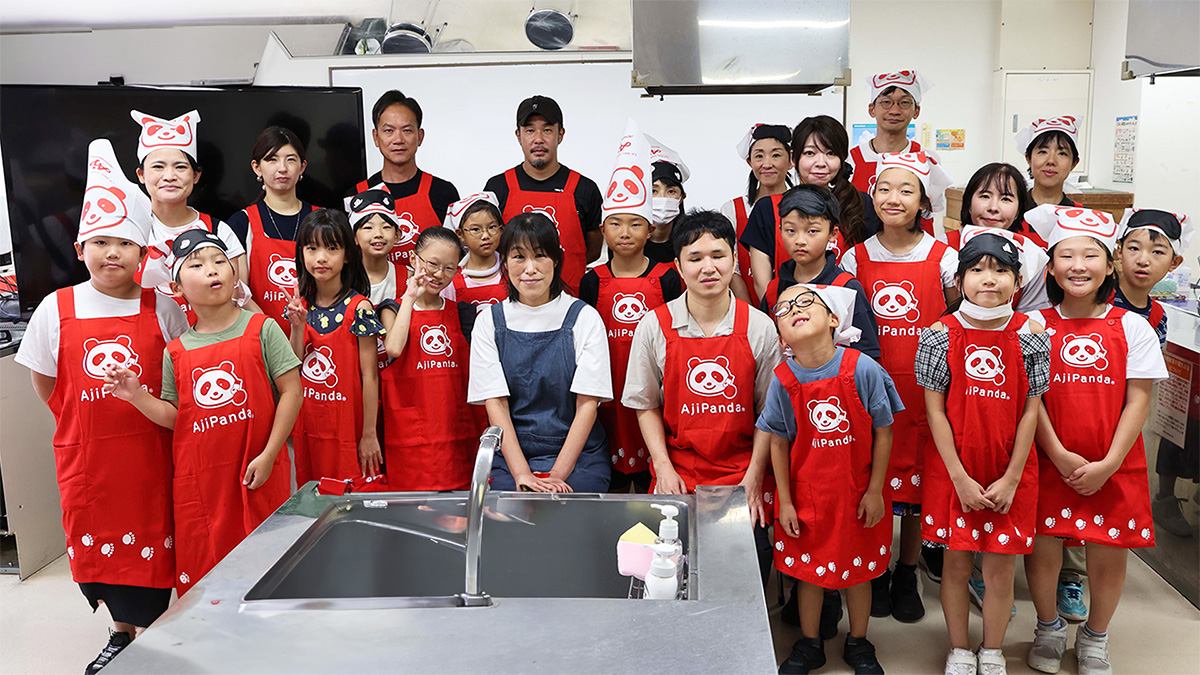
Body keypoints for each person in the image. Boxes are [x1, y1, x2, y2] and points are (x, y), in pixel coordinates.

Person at [15, 140, 186, 674]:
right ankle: (120, 633)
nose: (112, 253)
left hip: (151, 456)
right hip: (89, 460)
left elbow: (180, 378)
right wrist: (82, 420)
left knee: (156, 551)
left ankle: (157, 635)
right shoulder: (54, 307)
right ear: (80, 247)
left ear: (143, 252)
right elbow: (47, 383)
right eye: (100, 242)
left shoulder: (162, 308)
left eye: (124, 243)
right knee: (102, 551)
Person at [105, 229, 299, 598]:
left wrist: (270, 453)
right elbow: (177, 415)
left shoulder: (263, 328)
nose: (213, 271)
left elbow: (292, 391)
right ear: (177, 290)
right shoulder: (176, 351)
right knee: (210, 564)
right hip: (203, 480)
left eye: (220, 262)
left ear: (234, 273)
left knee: (268, 559)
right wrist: (135, 396)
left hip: (257, 468)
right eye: (197, 265)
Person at [1021, 204, 1168, 675]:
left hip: (1115, 461)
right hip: (1048, 458)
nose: (1078, 266)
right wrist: (1059, 453)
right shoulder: (1034, 325)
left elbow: (1138, 401)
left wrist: (1107, 463)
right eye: (1067, 255)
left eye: (1091, 255)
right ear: (1052, 266)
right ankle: (1047, 627)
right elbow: (1030, 399)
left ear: (1111, 265)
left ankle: (1095, 636)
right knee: (1043, 547)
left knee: (1108, 550)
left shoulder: (1133, 326)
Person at [916, 232, 1050, 675]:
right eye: (976, 270)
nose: (987, 280)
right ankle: (959, 648)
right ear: (959, 278)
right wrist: (958, 477)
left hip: (1010, 473)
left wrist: (1012, 477)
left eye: (1000, 270)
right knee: (954, 565)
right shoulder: (937, 335)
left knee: (998, 570)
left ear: (1019, 279)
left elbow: (1032, 411)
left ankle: (992, 650)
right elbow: (935, 412)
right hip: (953, 472)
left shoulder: (1032, 335)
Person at [623, 209, 782, 582]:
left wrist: (755, 477)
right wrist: (662, 466)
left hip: (741, 470)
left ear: (733, 260)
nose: (707, 267)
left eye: (718, 255)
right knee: (666, 569)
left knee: (747, 567)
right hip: (678, 468)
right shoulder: (655, 325)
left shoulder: (759, 326)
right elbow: (645, 404)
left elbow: (768, 413)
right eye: (695, 258)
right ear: (678, 265)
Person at [840, 151, 960, 622]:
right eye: (885, 188)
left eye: (906, 190)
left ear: (923, 201)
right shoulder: (855, 255)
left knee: (914, 490)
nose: (894, 198)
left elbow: (955, 319)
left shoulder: (944, 257)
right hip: (868, 387)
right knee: (871, 482)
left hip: (924, 391)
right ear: (872, 194)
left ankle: (905, 570)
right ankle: (872, 569)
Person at [764, 283, 900, 675]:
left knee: (858, 575)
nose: (794, 309)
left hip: (858, 494)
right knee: (808, 575)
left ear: (834, 320)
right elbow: (777, 443)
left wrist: (875, 491)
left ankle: (858, 641)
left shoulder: (863, 368)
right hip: (809, 497)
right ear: (781, 333)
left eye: (805, 302)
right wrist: (785, 501)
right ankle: (810, 644)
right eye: (785, 307)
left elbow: (884, 431)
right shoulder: (783, 379)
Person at [468, 212, 612, 492]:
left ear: (556, 260)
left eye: (540, 256)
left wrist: (556, 475)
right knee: (510, 515)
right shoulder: (489, 321)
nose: (530, 268)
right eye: (518, 257)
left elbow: (587, 405)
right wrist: (523, 474)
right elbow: (496, 405)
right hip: (510, 455)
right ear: (505, 263)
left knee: (569, 517)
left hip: (579, 456)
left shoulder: (584, 318)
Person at [578, 121, 684, 492]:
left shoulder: (668, 277)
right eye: (616, 224)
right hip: (607, 389)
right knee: (611, 483)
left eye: (636, 224)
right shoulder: (591, 280)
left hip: (654, 387)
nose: (625, 232)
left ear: (650, 228)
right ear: (603, 230)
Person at [285, 209, 385, 487]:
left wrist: (368, 433)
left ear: (348, 254)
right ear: (301, 253)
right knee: (312, 503)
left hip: (350, 427)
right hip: (310, 427)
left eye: (331, 248)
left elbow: (370, 375)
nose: (321, 258)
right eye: (312, 248)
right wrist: (296, 326)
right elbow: (293, 369)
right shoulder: (299, 306)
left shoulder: (360, 307)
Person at [130, 109, 257, 321]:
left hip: (210, 347)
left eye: (180, 167)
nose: (169, 176)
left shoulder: (219, 231)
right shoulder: (129, 232)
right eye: (158, 167)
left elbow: (235, 301)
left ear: (196, 175)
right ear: (141, 175)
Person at [379, 227, 479, 491]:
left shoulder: (464, 314)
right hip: (411, 440)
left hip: (457, 434)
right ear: (414, 260)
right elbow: (394, 349)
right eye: (432, 264)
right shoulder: (393, 308)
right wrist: (410, 297)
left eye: (449, 268)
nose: (439, 274)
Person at [1113, 208, 1193, 538]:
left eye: (1157, 252)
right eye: (1134, 248)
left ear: (1174, 264)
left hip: (1124, 420)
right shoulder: (1095, 301)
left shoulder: (1157, 316)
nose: (1143, 260)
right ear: (1117, 250)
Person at [740, 117, 870, 302]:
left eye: (831, 153)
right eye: (810, 153)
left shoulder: (860, 203)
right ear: (794, 158)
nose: (821, 162)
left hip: (846, 318)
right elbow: (763, 283)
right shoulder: (768, 208)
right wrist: (785, 318)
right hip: (787, 316)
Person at [483, 95, 604, 294]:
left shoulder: (585, 189)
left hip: (571, 302)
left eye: (547, 130)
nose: (538, 139)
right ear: (518, 135)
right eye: (530, 130)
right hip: (512, 302)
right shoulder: (498, 187)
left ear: (561, 135)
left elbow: (591, 251)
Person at [759, 184, 881, 361]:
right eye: (790, 230)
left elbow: (868, 355)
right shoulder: (774, 290)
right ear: (779, 231)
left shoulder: (847, 287)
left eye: (812, 231)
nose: (800, 240)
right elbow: (768, 351)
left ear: (833, 233)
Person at [352, 90, 460, 272]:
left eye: (407, 130)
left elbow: (456, 255)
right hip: (372, 298)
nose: (398, 139)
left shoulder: (443, 192)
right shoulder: (355, 196)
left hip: (429, 296)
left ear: (420, 136)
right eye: (388, 131)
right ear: (376, 137)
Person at [227, 126, 318, 336]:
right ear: (257, 167)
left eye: (291, 159)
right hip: (261, 338)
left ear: (302, 167)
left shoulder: (321, 219)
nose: (282, 168)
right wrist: (270, 334)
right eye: (272, 159)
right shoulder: (242, 223)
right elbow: (238, 292)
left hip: (319, 337)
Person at [948, 163, 1050, 313]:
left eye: (1006, 199)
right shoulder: (942, 248)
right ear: (968, 203)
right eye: (985, 196)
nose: (993, 207)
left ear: (1018, 211)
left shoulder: (1030, 254)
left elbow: (1031, 317)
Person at [722, 123, 794, 306]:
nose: (766, 164)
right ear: (750, 162)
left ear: (791, 159)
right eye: (759, 156)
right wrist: (751, 314)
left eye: (776, 155)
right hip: (747, 307)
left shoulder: (802, 204)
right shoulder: (732, 209)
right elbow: (732, 268)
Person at [1013, 116, 1084, 247]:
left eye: (1062, 153)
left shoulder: (1082, 217)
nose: (1051, 160)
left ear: (1074, 163)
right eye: (1043, 151)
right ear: (1029, 158)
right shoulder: (1011, 212)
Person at [445, 192, 508, 312]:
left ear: (502, 228)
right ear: (460, 234)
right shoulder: (450, 280)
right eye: (475, 229)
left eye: (492, 227)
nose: (485, 235)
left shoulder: (513, 270)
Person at [646, 136, 692, 266]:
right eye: (654, 191)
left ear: (682, 197)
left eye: (671, 191)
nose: (662, 198)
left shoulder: (692, 238)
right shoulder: (630, 240)